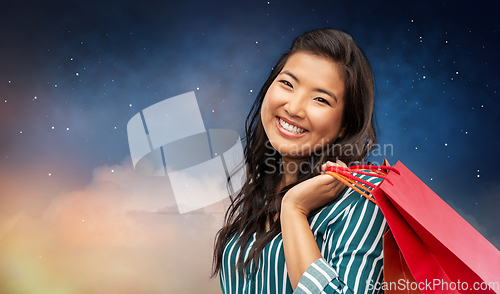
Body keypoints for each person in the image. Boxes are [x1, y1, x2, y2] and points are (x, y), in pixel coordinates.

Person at [212, 28, 385, 294]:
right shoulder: (262, 193)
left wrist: (294, 210)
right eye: (288, 84)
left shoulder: (363, 199)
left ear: (345, 124)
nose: (293, 108)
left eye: (320, 99)